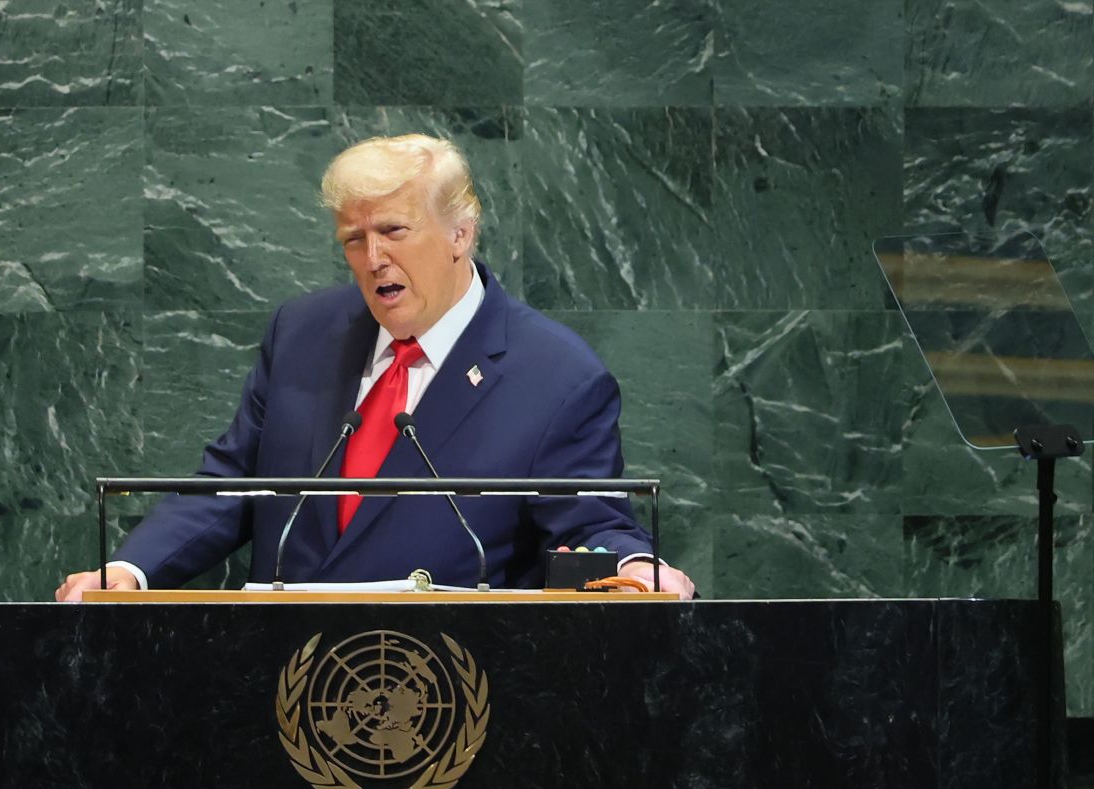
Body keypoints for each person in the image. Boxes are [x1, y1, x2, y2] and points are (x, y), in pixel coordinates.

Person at [56, 134, 696, 601]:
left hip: (450, 688)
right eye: (354, 240)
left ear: (460, 235)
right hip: (274, 672)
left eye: (394, 229)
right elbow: (230, 482)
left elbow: (593, 523)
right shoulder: (303, 332)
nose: (373, 258)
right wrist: (130, 573)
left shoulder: (556, 376)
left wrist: (637, 567)